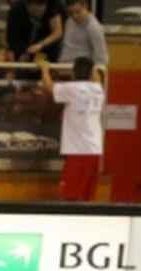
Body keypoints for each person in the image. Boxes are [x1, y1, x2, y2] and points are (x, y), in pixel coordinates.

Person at [39, 54, 105, 201]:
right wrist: (92, 66)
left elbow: (48, 87)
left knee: (70, 194)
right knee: (87, 195)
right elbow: (97, 78)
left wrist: (44, 68)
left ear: (73, 72)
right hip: (95, 150)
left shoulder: (72, 89)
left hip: (78, 150)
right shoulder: (98, 89)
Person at [59, 0, 109, 67]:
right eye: (71, 13)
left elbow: (101, 58)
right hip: (63, 68)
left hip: (81, 72)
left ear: (86, 6)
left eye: (78, 11)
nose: (74, 16)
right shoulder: (69, 21)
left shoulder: (94, 27)